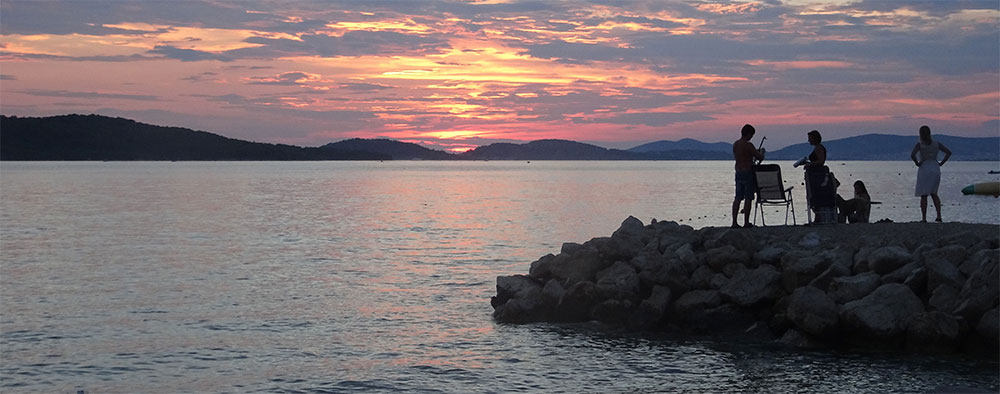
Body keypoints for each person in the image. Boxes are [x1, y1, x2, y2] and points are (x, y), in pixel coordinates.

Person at [910, 125, 952, 222]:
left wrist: (917, 162)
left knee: (924, 195)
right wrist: (941, 163)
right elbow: (948, 152)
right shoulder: (936, 144)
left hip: (924, 168)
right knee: (934, 193)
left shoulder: (919, 145)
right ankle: (939, 216)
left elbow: (912, 155)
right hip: (935, 167)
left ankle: (924, 218)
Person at [731, 124, 765, 228]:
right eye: (752, 135)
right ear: (749, 134)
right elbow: (759, 157)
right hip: (748, 173)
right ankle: (746, 222)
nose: (752, 137)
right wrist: (762, 152)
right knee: (748, 198)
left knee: (737, 198)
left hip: (738, 172)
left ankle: (734, 222)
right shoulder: (748, 145)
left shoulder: (735, 144)